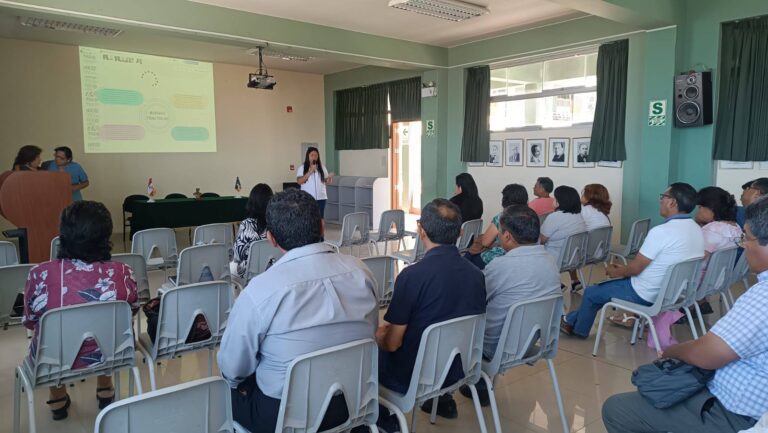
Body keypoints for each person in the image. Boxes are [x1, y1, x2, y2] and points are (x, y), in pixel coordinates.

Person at [600, 197, 768, 433]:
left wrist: (670, 351)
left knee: (618, 409)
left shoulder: (763, 297)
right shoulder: (695, 230)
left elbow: (710, 354)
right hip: (688, 294)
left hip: (736, 413)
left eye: (747, 238)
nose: (744, 245)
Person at [218, 189, 377, 433]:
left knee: (222, 396)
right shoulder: (361, 271)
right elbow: (370, 331)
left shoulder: (260, 291)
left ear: (271, 238)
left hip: (284, 417)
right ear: (322, 226)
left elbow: (233, 369)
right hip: (355, 402)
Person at [22, 201, 138, 420]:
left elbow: (30, 321)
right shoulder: (124, 272)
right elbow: (130, 312)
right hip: (113, 353)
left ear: (63, 234)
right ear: (106, 236)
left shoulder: (39, 274)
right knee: (107, 327)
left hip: (54, 357)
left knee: (52, 336)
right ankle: (105, 388)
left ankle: (57, 399)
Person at [377, 199, 486, 426]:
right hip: (459, 369)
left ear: (421, 231)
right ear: (461, 232)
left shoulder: (411, 277)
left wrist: (379, 337)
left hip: (414, 375)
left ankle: (384, 423)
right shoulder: (477, 274)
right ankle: (443, 400)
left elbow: (393, 344)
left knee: (367, 353)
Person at [561, 183, 704, 338]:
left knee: (591, 292)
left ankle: (578, 330)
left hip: (645, 293)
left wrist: (615, 271)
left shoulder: (661, 232)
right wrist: (624, 269)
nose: (660, 200)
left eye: (663, 197)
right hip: (675, 292)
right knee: (601, 292)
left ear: (673, 202)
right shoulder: (696, 229)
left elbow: (636, 269)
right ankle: (569, 321)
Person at [465, 184, 528, 269]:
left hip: (500, 256)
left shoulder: (501, 217)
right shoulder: (530, 216)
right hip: (525, 256)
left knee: (470, 258)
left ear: (505, 199)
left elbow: (485, 242)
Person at [569, 184, 611, 291]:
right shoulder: (602, 213)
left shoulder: (584, 211)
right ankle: (574, 282)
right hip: (601, 252)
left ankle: (572, 281)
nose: (581, 196)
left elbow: (571, 228)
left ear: (590, 197)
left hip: (587, 254)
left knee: (566, 246)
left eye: (583, 194)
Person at [231, 184, 274, 279]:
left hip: (250, 272)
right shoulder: (276, 223)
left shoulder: (247, 224)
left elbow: (238, 256)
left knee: (231, 266)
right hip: (272, 269)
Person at [540, 185, 587, 265]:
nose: (553, 200)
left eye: (555, 198)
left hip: (554, 258)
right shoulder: (579, 216)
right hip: (574, 258)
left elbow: (541, 240)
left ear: (559, 202)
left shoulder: (555, 217)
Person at [296, 146, 335, 218]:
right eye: (312, 155)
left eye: (316, 155)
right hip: (307, 198)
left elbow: (326, 182)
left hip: (321, 197)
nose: (314, 157)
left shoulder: (322, 167)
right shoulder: (302, 167)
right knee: (308, 218)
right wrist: (310, 171)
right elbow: (299, 181)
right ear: (308, 156)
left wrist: (329, 178)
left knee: (320, 218)